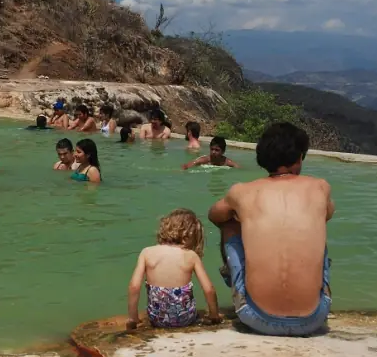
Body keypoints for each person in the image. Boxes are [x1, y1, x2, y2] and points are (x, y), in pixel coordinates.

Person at [208, 122, 332, 337]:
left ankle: (234, 277)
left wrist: (245, 217)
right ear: (300, 157)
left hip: (254, 317)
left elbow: (214, 215)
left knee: (229, 222)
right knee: (317, 223)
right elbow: (328, 214)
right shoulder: (320, 187)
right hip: (315, 318)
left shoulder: (242, 192)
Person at [126, 208, 221, 330]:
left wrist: (133, 318)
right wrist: (214, 315)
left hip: (157, 318)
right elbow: (209, 290)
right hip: (185, 319)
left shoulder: (147, 252)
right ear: (190, 235)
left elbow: (134, 286)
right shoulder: (191, 255)